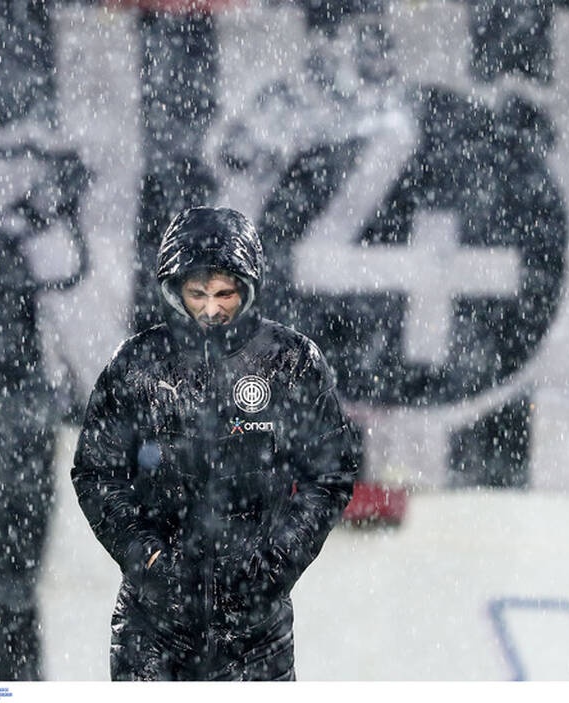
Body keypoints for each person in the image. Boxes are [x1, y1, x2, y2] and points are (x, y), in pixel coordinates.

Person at [71, 206, 358, 681]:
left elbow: (330, 474)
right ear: (174, 290)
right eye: (197, 292)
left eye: (225, 292)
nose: (210, 308)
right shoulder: (138, 364)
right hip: (152, 628)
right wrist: (147, 559)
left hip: (257, 632)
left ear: (248, 289)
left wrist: (275, 564)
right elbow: (96, 472)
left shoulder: (289, 363)